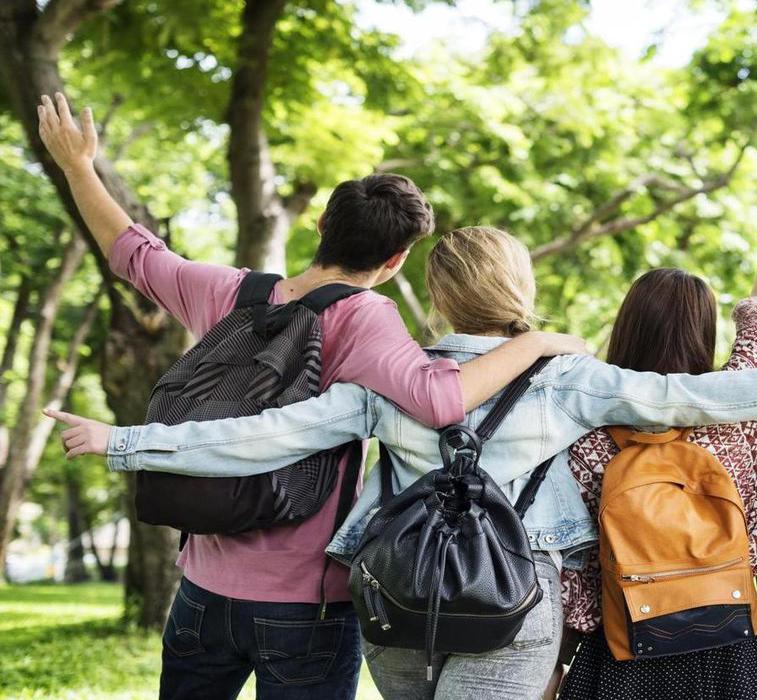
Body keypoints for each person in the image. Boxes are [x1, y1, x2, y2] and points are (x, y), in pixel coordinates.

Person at [50, 225, 757, 698]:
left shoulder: (388, 378)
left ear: (435, 296)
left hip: (395, 600)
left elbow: (259, 436)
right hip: (512, 602)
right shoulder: (565, 378)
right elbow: (696, 397)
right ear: (519, 290)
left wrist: (123, 440)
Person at [35, 93, 581, 700]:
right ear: (396, 260)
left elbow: (134, 255)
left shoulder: (229, 293)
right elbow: (440, 400)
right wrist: (537, 342)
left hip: (202, 590)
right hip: (306, 602)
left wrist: (78, 167)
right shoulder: (368, 318)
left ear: (321, 225)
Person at [557, 152, 757, 699]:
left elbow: (575, 564)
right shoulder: (735, 411)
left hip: (624, 650)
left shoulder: (583, 427)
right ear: (703, 333)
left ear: (626, 327)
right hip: (730, 643)